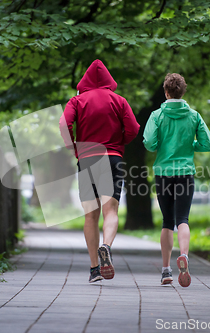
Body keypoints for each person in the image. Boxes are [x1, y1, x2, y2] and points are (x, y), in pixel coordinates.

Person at [60, 59, 140, 283]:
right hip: (112, 158)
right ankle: (107, 246)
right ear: (108, 80)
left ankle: (95, 268)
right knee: (110, 211)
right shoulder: (119, 100)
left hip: (87, 159)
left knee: (90, 215)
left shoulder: (76, 101)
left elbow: (63, 124)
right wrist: (119, 143)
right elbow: (133, 128)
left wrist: (75, 148)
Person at [143, 73, 210, 287]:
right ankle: (184, 256)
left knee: (167, 221)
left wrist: (160, 146)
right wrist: (191, 145)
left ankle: (166, 270)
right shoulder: (193, 115)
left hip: (164, 172)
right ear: (183, 92)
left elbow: (149, 142)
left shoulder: (157, 115)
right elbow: (207, 143)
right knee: (183, 219)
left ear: (166, 92)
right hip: (185, 172)